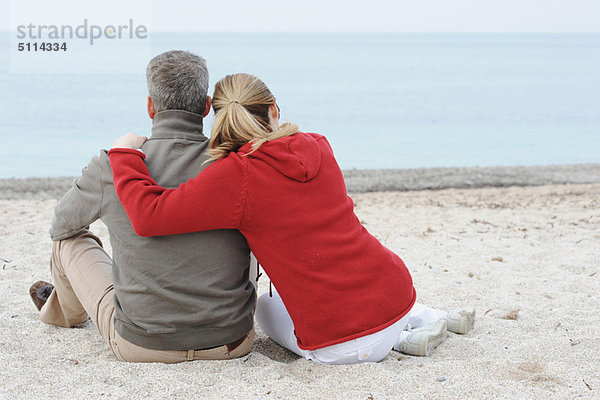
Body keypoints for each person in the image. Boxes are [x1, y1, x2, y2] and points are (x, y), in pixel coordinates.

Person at [108, 73, 475, 365]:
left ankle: (402, 339)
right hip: (397, 292)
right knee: (355, 281)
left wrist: (124, 155)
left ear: (217, 117)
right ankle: (421, 319)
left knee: (266, 306)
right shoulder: (318, 144)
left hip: (341, 345)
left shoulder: (234, 176)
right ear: (273, 110)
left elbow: (149, 215)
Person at [28, 52, 256, 363]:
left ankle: (62, 314)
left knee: (68, 242)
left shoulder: (114, 164)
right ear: (206, 107)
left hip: (143, 344)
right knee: (251, 229)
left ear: (150, 106)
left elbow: (62, 226)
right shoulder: (238, 164)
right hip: (231, 340)